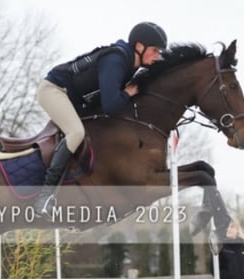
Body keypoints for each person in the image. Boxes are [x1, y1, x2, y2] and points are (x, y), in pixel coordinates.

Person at [33, 21, 168, 216]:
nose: (158, 56)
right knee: (76, 132)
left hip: (74, 99)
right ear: (139, 46)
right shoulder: (116, 60)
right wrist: (128, 94)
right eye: (155, 50)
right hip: (54, 90)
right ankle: (44, 197)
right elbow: (111, 105)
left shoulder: (130, 64)